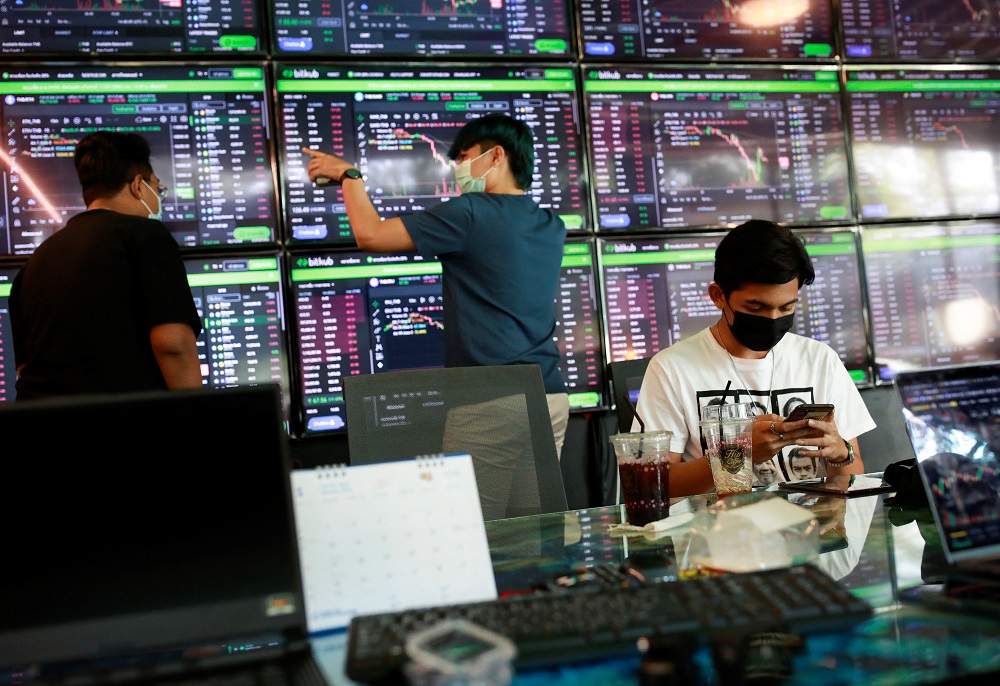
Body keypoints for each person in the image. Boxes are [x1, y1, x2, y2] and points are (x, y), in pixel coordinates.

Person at [302, 113, 570, 457]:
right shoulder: (551, 224)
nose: (458, 166)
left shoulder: (472, 212)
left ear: (496, 156)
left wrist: (349, 176)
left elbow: (370, 235)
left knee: (475, 512)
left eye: (463, 156)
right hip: (550, 396)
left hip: (491, 400)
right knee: (539, 510)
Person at [635, 219, 875, 497]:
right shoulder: (672, 368)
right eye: (756, 307)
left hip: (806, 532)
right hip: (716, 532)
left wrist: (838, 454)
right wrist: (738, 455)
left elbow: (853, 471)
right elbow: (652, 486)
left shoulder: (819, 360)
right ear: (718, 296)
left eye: (786, 307)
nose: (773, 320)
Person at [10, 131, 203, 400]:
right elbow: (172, 344)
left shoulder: (35, 261)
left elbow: (25, 369)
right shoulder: (146, 235)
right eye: (157, 189)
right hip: (122, 423)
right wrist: (199, 418)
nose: (159, 199)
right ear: (138, 185)